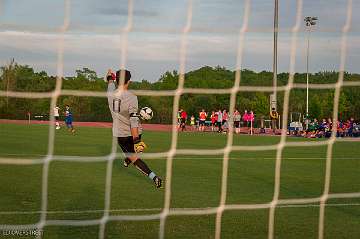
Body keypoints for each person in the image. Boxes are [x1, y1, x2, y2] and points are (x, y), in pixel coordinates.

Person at [106, 69, 162, 188]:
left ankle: (153, 176)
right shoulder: (132, 97)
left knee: (134, 157)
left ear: (117, 80)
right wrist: (137, 140)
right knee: (134, 155)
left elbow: (110, 83)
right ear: (129, 81)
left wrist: (110, 77)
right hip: (135, 132)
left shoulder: (110, 93)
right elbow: (133, 120)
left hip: (121, 135)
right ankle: (130, 160)